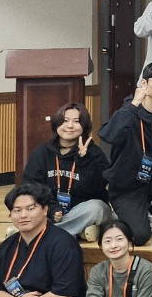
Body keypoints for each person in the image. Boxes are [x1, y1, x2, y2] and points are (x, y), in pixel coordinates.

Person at [98, 63, 152, 241]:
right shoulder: (129, 111)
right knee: (140, 236)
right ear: (144, 83)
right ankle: (119, 212)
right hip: (126, 186)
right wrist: (134, 103)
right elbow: (108, 135)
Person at [20, 102, 113, 242]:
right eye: (65, 121)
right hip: (51, 211)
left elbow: (95, 188)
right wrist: (52, 208)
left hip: (83, 210)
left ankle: (43, 234)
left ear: (84, 126)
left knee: (97, 208)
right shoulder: (42, 153)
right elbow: (31, 186)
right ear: (56, 124)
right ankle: (78, 230)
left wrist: (84, 161)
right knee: (27, 204)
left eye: (76, 121)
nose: (70, 126)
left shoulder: (94, 153)